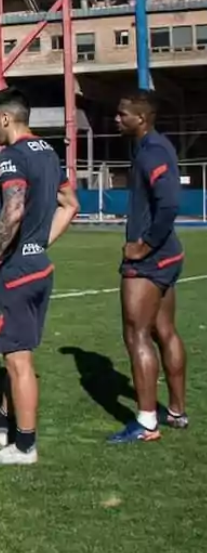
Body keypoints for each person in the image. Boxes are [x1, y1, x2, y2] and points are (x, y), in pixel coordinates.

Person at [0, 87, 78, 465]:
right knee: (16, 354)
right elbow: (71, 204)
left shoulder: (11, 156)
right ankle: (1, 426)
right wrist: (39, 242)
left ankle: (25, 446)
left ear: (4, 118)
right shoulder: (47, 153)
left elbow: (13, 209)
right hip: (39, 267)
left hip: (16, 272)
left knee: (18, 361)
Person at [109, 91, 189, 442]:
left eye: (122, 114)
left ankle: (146, 423)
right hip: (168, 256)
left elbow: (169, 203)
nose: (116, 118)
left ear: (141, 119)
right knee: (164, 331)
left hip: (151, 260)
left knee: (136, 333)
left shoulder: (152, 152)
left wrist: (144, 246)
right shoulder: (148, 146)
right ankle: (176, 411)